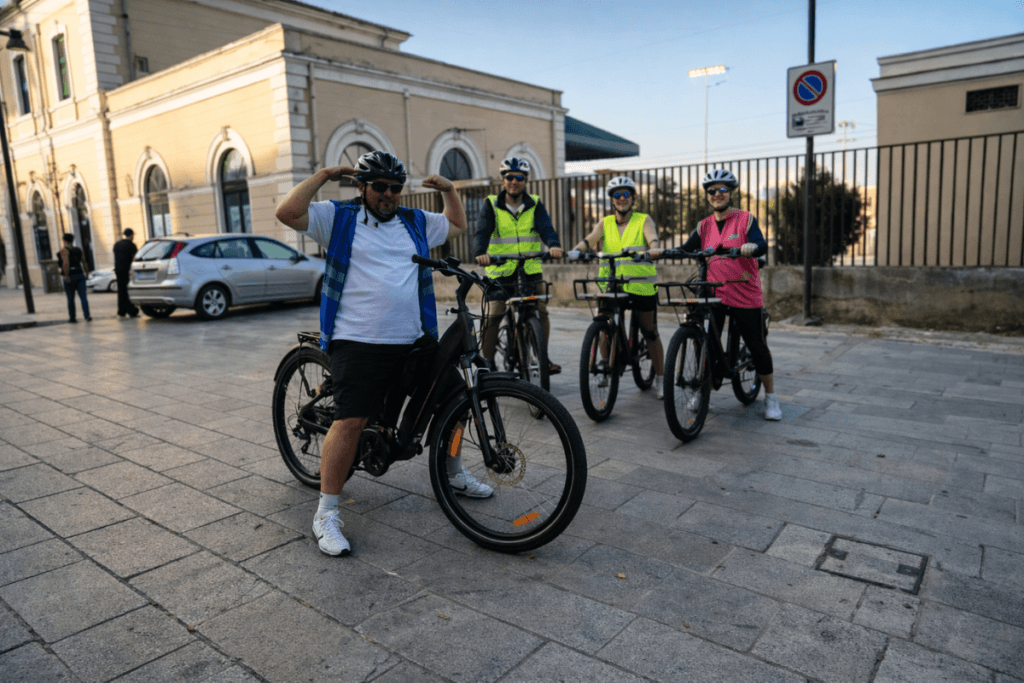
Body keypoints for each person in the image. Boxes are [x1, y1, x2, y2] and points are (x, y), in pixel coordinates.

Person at [275, 150, 492, 557]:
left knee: (457, 397)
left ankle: (453, 471)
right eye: (379, 186)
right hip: (357, 339)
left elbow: (456, 225)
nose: (388, 194)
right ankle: (326, 513)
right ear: (362, 187)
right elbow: (287, 213)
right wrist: (324, 174)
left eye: (395, 187)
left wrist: (449, 190)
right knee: (351, 420)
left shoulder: (413, 221)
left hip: (412, 338)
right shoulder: (338, 217)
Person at [680, 168, 781, 421]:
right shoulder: (703, 226)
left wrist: (752, 246)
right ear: (707, 195)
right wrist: (660, 252)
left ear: (731, 192)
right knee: (704, 341)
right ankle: (702, 390)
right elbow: (685, 249)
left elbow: (761, 244)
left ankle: (770, 397)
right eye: (712, 190)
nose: (717, 194)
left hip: (743, 290)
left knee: (756, 345)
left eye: (722, 189)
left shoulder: (745, 219)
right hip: (713, 290)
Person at [570, 176, 665, 397]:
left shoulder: (643, 220)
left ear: (633, 197)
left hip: (640, 284)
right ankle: (606, 364)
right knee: (604, 322)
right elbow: (590, 239)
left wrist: (654, 248)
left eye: (626, 194)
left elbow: (652, 238)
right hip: (612, 284)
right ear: (612, 199)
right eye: (617, 195)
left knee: (649, 331)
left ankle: (661, 377)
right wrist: (577, 250)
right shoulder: (605, 222)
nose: (622, 198)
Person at [474, 158, 564, 374]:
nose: (514, 181)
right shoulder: (491, 204)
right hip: (500, 271)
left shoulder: (534, 203)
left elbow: (545, 227)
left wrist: (553, 245)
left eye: (519, 177)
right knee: (493, 315)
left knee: (541, 311)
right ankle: (486, 364)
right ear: (503, 180)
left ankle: (542, 357)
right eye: (509, 177)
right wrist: (480, 252)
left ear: (525, 180)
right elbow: (482, 231)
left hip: (529, 269)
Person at [59, 233, 91, 323]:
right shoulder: (79, 250)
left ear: (64, 241)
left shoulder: (64, 251)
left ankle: (72, 318)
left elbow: (66, 263)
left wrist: (66, 275)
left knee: (70, 298)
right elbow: (84, 262)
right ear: (72, 240)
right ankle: (87, 316)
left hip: (71, 275)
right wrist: (87, 273)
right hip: (80, 274)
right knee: (83, 297)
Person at [113, 228, 139, 318]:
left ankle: (122, 311)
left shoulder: (117, 244)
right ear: (131, 235)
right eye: (133, 235)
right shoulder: (131, 245)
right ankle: (132, 311)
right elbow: (134, 258)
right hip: (127, 270)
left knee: (121, 290)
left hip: (118, 270)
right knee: (128, 290)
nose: (133, 237)